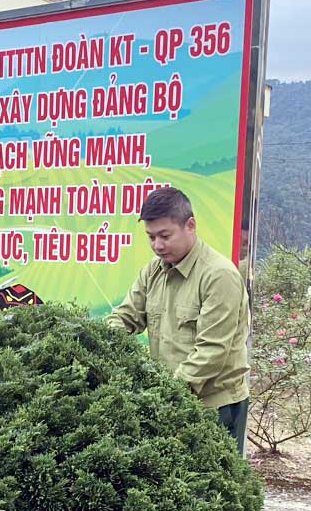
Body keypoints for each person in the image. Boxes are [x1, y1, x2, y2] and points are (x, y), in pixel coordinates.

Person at [106, 187, 250, 454]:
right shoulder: (153, 271)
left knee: (210, 491)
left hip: (214, 407)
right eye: (151, 237)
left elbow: (212, 351)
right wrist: (100, 340)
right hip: (171, 400)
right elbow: (126, 316)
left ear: (190, 226)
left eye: (165, 236)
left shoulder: (218, 276)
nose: (157, 245)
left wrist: (164, 394)